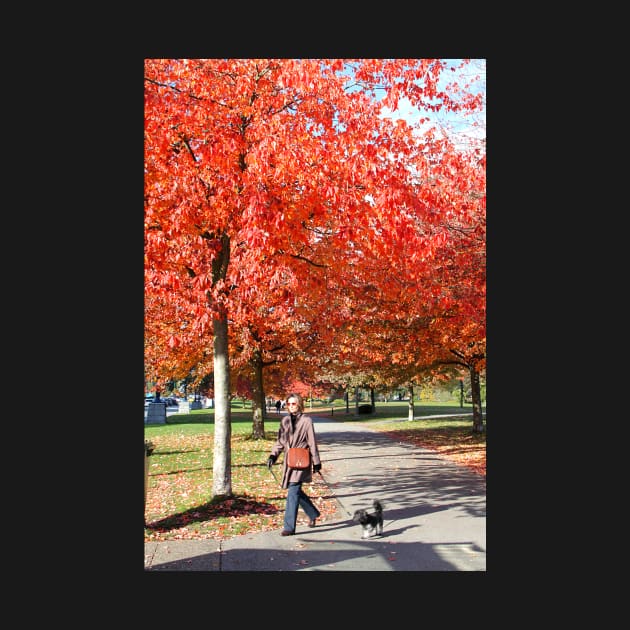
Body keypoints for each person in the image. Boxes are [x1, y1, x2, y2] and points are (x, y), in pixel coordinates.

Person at [267, 392, 322, 536]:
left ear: (299, 404)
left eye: (294, 403)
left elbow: (312, 442)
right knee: (295, 490)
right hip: (289, 460)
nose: (291, 406)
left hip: (301, 459)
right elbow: (280, 441)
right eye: (289, 404)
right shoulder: (284, 421)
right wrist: (273, 456)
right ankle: (313, 513)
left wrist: (316, 462)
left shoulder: (307, 421)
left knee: (292, 491)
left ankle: (289, 527)